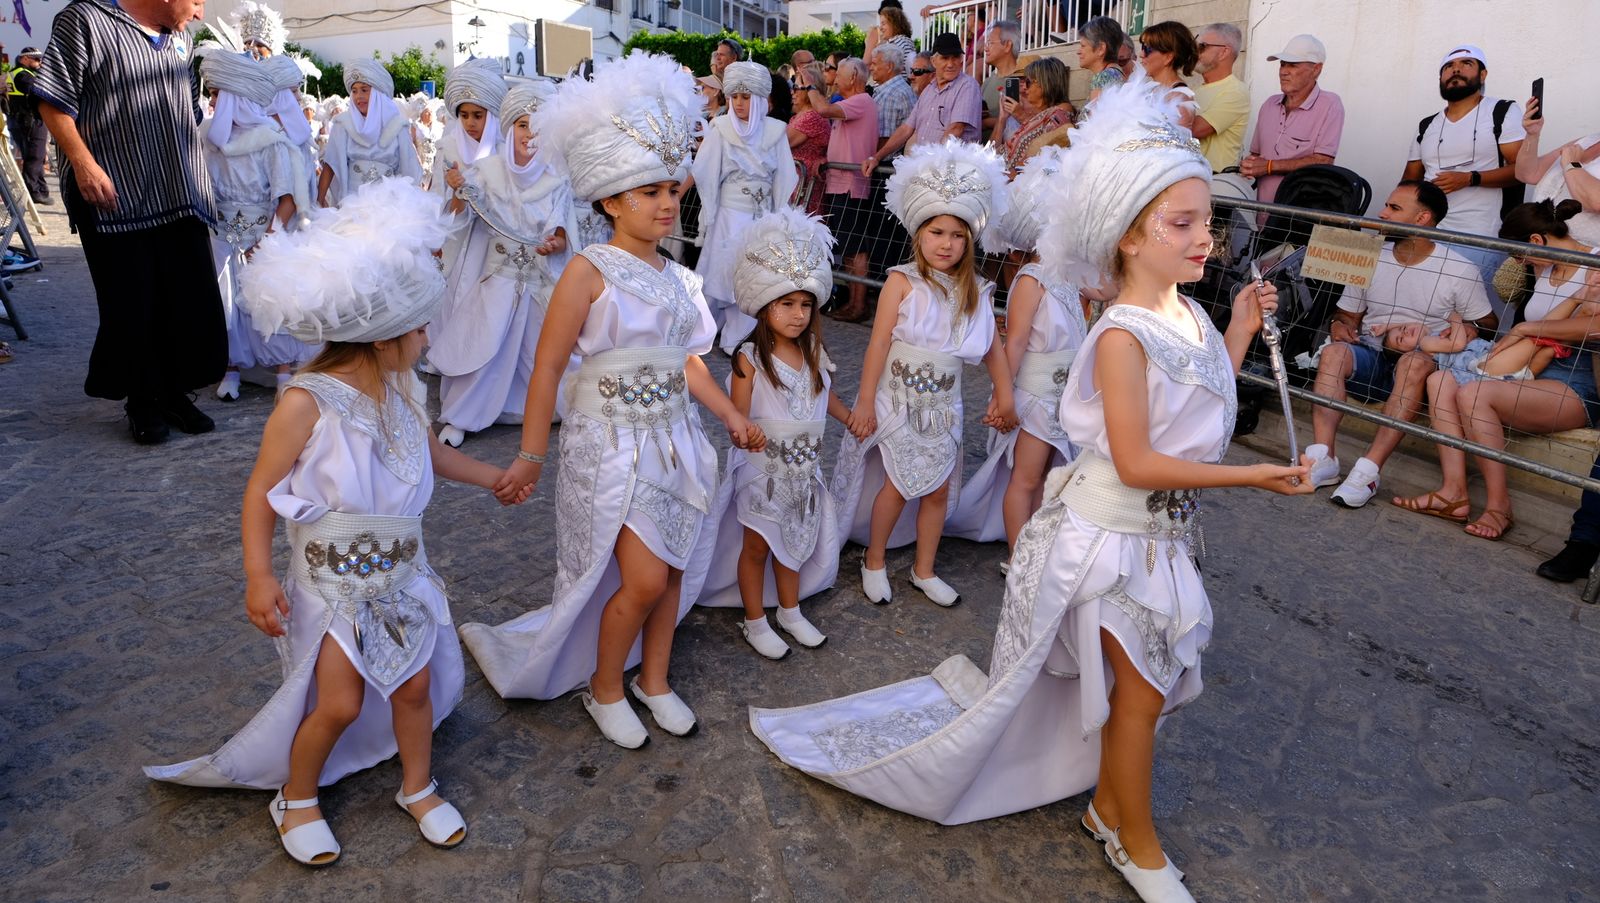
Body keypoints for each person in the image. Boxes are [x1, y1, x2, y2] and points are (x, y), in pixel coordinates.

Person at [752, 82, 1309, 903]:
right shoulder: (1118, 334)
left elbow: (1209, 385)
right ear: (1126, 236)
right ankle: (1136, 840)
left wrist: (1241, 329)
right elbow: (1138, 459)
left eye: (1208, 221)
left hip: (1156, 538)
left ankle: (1110, 812)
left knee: (1143, 695)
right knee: (1139, 695)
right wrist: (1254, 475)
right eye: (1182, 222)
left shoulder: (1188, 316)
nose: (1206, 238)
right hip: (1106, 540)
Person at [142, 180, 519, 865]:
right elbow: (261, 491)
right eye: (420, 326)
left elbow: (426, 450)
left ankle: (417, 785)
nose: (427, 337)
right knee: (338, 700)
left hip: (402, 571)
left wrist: (490, 476)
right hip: (332, 579)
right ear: (380, 336)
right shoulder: (305, 403)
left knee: (415, 685)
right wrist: (259, 575)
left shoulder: (403, 388)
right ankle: (298, 793)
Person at [460, 52, 765, 749]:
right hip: (613, 446)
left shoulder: (684, 283)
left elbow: (686, 360)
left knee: (675, 567)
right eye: (648, 191)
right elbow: (546, 369)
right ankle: (604, 687)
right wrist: (532, 452)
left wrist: (730, 415)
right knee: (642, 573)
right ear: (609, 200)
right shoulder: (587, 272)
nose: (665, 202)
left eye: (670, 190)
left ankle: (654, 678)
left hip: (677, 440)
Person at [831, 138, 1015, 608]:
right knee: (896, 482)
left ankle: (924, 569)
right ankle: (873, 559)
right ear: (919, 234)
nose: (946, 244)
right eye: (937, 233)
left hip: (945, 406)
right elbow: (878, 344)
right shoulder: (900, 280)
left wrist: (1004, 393)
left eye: (957, 235)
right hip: (899, 401)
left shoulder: (976, 288)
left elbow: (992, 347)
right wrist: (867, 400)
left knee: (935, 490)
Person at [34, 0, 226, 445]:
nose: (199, 13)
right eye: (196, 1)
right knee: (132, 306)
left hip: (179, 190)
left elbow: (189, 110)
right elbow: (52, 101)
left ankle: (175, 394)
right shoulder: (85, 21)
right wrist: (83, 163)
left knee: (186, 302)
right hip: (116, 194)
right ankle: (142, 402)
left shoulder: (182, 38)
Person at [700, 210, 859, 658]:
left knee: (794, 543)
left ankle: (789, 611)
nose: (797, 315)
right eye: (786, 304)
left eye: (805, 305)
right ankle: (755, 620)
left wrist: (851, 420)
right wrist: (742, 432)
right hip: (762, 471)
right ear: (764, 305)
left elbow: (826, 398)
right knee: (756, 545)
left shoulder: (814, 352)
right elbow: (738, 413)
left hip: (805, 472)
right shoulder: (749, 357)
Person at [1394, 199, 1600, 540]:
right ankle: (1453, 492)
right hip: (1526, 368)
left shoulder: (1594, 263)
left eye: (1518, 255)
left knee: (1475, 394)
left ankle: (1499, 507)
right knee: (1441, 379)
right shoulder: (1542, 266)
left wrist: (1526, 329)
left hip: (1572, 380)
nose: (1519, 263)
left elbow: (1594, 327)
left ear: (1535, 241)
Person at [1304, 181, 1496, 509]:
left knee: (1415, 363)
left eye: (1394, 208)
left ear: (1422, 219)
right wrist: (1340, 325)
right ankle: (1324, 458)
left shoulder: (1459, 269)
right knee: (1334, 353)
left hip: (1421, 362)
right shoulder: (1369, 253)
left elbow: (1488, 325)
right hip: (1372, 354)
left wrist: (1462, 329)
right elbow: (1347, 314)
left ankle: (1368, 471)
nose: (1382, 213)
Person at [948, 147, 1086, 549]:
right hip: (1037, 399)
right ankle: (1018, 553)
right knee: (1024, 477)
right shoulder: (1029, 279)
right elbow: (1017, 341)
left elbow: (1108, 287)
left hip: (1062, 398)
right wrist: (1002, 394)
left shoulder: (1070, 275)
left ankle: (1038, 546)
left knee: (1048, 476)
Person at [429, 83, 573, 448]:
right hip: (496, 278)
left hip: (538, 282)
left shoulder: (557, 179)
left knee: (539, 352)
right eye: (523, 125)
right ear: (510, 129)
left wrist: (554, 244)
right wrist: (458, 193)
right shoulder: (484, 172)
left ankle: (535, 410)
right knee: (483, 346)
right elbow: (460, 223)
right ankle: (463, 416)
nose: (530, 135)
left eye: (538, 127)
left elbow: (563, 232)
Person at [196, 21, 317, 403]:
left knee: (271, 301)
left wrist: (267, 238)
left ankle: (282, 372)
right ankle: (230, 368)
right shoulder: (210, 140)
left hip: (264, 233)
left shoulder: (272, 141)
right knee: (226, 302)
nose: (212, 103)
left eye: (218, 95)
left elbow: (287, 197)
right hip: (223, 232)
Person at [1402, 45, 1525, 309]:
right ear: (1440, 79)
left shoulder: (1502, 111)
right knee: (1423, 310)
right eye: (1448, 67)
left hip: (1482, 237)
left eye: (1466, 63)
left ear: (1483, 75)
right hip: (1429, 234)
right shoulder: (1428, 125)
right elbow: (1410, 180)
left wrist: (1470, 179)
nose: (1455, 69)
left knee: (1474, 314)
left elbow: (1523, 169)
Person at [691, 60, 799, 354]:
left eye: (746, 97)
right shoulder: (720, 128)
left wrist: (778, 215)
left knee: (752, 276)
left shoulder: (776, 131)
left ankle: (738, 338)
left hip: (761, 218)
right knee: (719, 274)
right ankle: (701, 329)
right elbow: (706, 171)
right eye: (734, 97)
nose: (739, 104)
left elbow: (786, 176)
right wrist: (710, 212)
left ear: (761, 99)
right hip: (729, 215)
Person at [808, 59, 877, 322]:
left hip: (851, 185)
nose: (835, 81)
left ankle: (859, 304)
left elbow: (822, 110)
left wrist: (809, 86)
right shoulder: (853, 103)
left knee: (855, 246)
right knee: (848, 246)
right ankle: (853, 302)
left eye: (840, 76)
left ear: (855, 77)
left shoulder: (861, 101)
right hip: (841, 183)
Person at [1240, 34, 1343, 204]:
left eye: (1293, 65)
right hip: (1262, 211)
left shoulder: (1330, 104)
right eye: (1282, 64)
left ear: (1316, 69)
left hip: (1298, 214)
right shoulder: (1269, 104)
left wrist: (1269, 166)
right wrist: (1248, 165)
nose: (1283, 71)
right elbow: (1256, 155)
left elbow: (1324, 161)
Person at [317, 58, 425, 207]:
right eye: (354, 91)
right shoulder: (342, 124)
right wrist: (319, 200)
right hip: (352, 202)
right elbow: (331, 164)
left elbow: (409, 169)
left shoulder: (398, 125)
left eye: (364, 90)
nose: (358, 96)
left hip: (389, 205)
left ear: (377, 94)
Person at [868, 32, 983, 168]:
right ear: (933, 61)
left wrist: (931, 166)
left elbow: (956, 129)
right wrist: (877, 157)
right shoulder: (928, 90)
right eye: (945, 58)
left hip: (952, 172)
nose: (951, 64)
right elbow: (906, 129)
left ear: (961, 60)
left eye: (955, 57)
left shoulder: (967, 85)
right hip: (927, 172)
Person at [1516, 96, 1600, 248]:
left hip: (1586, 264)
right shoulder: (1589, 141)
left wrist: (1571, 164)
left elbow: (1596, 201)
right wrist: (1532, 135)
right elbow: (1528, 174)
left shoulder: (1573, 154)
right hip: (1542, 254)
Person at [997, 56, 1073, 178]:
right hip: (999, 171)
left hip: (1012, 183)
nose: (1024, 87)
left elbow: (1044, 152)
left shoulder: (1061, 112)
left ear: (1044, 84)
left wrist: (1007, 176)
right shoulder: (1045, 114)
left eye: (1028, 82)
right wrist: (1002, 119)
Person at [1190, 23, 1250, 173]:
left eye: (1202, 46)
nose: (1195, 52)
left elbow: (1194, 129)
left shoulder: (1236, 92)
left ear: (1224, 52)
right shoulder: (1194, 91)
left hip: (1214, 184)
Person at [786, 61, 830, 217]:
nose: (793, 92)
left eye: (797, 88)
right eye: (793, 87)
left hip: (805, 188)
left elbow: (782, 142)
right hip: (796, 185)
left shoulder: (812, 116)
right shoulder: (800, 115)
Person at [1137, 20, 1198, 129]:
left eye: (1147, 49)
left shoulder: (1180, 99)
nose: (1141, 54)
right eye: (1142, 47)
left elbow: (1175, 143)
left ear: (1168, 57)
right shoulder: (1151, 90)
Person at [9, 47, 49, 204]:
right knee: (35, 156)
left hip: (19, 120)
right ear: (24, 59)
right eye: (36, 59)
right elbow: (39, 92)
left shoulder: (15, 73)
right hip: (30, 120)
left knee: (33, 156)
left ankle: (40, 190)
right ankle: (34, 192)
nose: (40, 62)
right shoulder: (23, 75)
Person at [980, 20, 1023, 140]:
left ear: (1007, 45)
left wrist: (987, 122)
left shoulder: (1024, 82)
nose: (985, 48)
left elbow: (1025, 119)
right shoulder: (986, 83)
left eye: (990, 43)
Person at [1077, 15, 1127, 105]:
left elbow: (1095, 118)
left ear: (1101, 49)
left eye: (1083, 46)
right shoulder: (1117, 74)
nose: (1078, 52)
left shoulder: (1103, 77)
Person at [864, 3, 916, 87]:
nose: (880, 28)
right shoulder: (894, 42)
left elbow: (909, 71)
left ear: (895, 24)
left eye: (884, 24)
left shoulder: (902, 42)